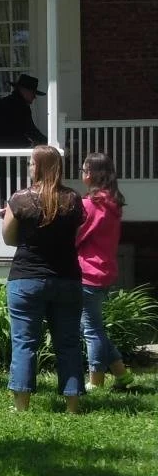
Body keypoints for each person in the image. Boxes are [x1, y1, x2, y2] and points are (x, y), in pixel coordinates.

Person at [2, 145, 85, 413]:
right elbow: (75, 233)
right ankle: (72, 405)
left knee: (25, 342)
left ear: (39, 167)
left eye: (31, 163)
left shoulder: (20, 199)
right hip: (67, 277)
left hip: (27, 277)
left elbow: (9, 238)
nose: (29, 167)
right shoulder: (73, 199)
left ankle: (22, 405)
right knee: (69, 342)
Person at [76, 152, 133, 391]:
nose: (82, 174)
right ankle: (121, 374)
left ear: (91, 174)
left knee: (90, 329)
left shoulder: (91, 204)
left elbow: (77, 236)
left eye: (84, 170)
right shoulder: (112, 202)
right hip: (105, 270)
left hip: (89, 272)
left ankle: (96, 381)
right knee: (92, 326)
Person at [0, 74, 47, 149]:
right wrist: (47, 142)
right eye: (33, 92)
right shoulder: (19, 106)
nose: (34, 97)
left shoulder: (7, 102)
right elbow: (30, 130)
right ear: (24, 90)